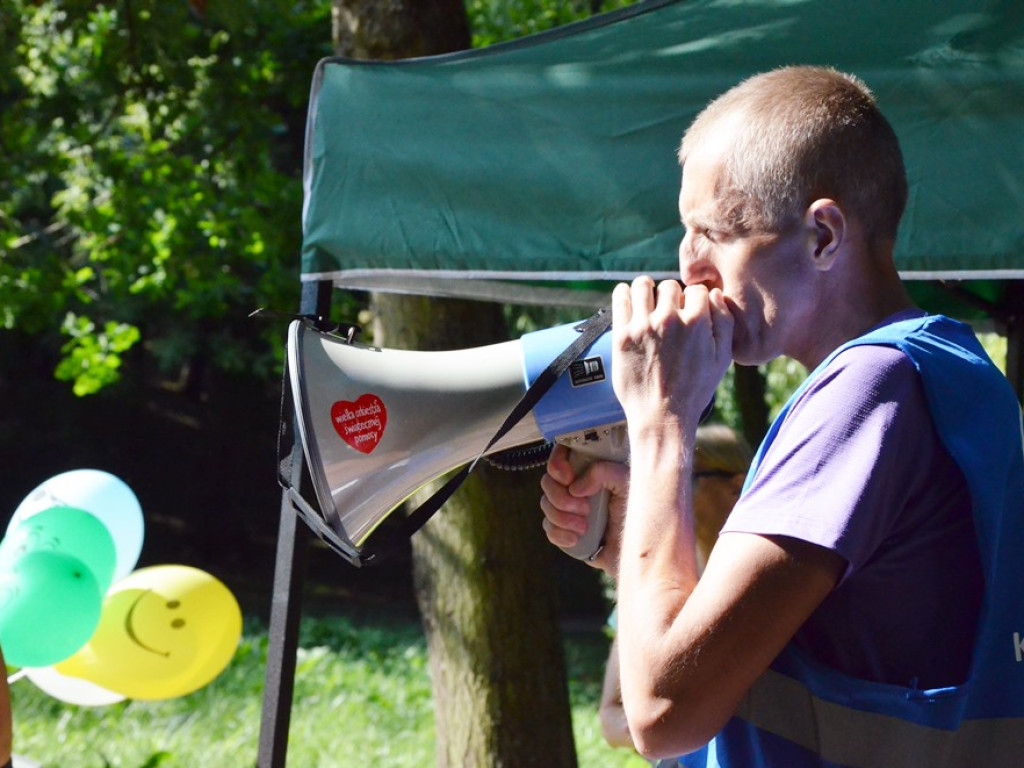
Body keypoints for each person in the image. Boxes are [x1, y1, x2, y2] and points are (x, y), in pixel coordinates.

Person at [540, 65, 1024, 766]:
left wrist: (660, 426)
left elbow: (660, 713)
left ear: (824, 236)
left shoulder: (870, 390)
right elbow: (841, 648)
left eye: (715, 233)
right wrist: (644, 544)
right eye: (686, 233)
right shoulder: (948, 373)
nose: (688, 268)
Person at [599, 425, 751, 752]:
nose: (670, 496)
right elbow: (610, 715)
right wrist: (669, 730)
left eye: (687, 480)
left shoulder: (768, 579)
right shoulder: (652, 587)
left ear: (737, 487)